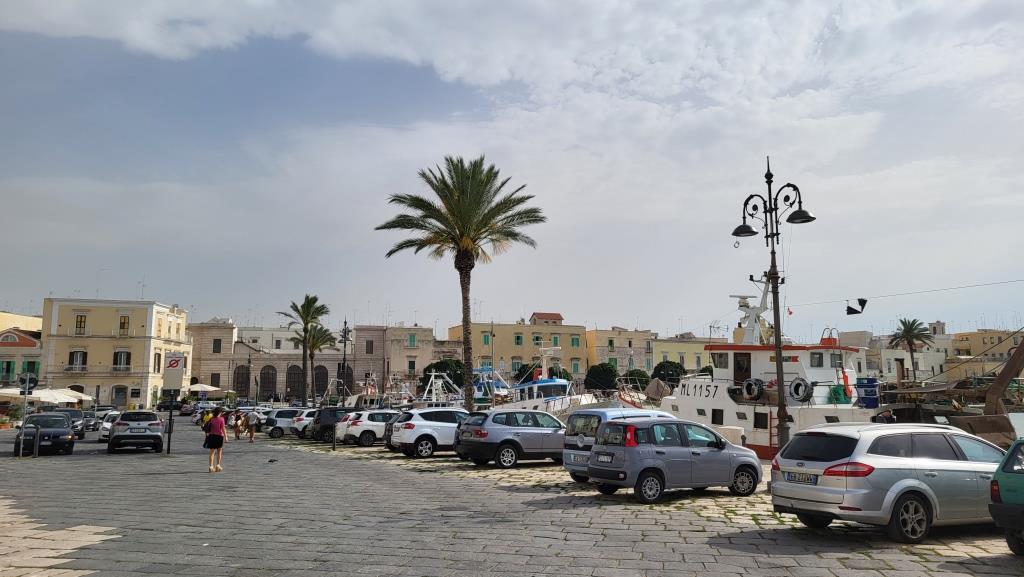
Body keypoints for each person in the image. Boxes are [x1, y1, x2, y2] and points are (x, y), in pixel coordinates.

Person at [204, 407, 227, 472]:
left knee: (211, 452)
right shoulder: (221, 419)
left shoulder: (211, 419)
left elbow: (208, 428)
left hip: (211, 436)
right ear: (220, 412)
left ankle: (211, 466)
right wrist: (226, 437)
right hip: (219, 436)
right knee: (219, 451)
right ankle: (218, 465)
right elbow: (223, 428)